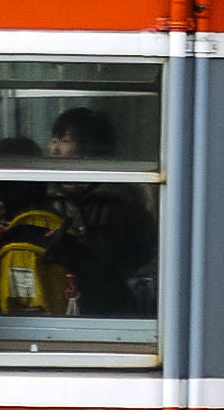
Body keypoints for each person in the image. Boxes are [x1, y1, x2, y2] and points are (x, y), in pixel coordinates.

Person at [44, 106, 157, 318]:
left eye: (65, 141)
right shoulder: (45, 195)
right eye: (54, 140)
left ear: (89, 146)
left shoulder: (122, 198)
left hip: (114, 309)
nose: (55, 150)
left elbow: (144, 255)